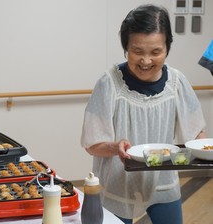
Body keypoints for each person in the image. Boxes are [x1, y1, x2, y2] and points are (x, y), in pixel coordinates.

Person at [81, 4, 206, 224]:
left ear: (167, 47)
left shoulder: (177, 82)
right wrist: (115, 146)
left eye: (156, 52)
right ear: (126, 48)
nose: (146, 61)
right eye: (137, 51)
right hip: (117, 185)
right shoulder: (109, 83)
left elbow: (197, 136)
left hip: (163, 181)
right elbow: (92, 144)